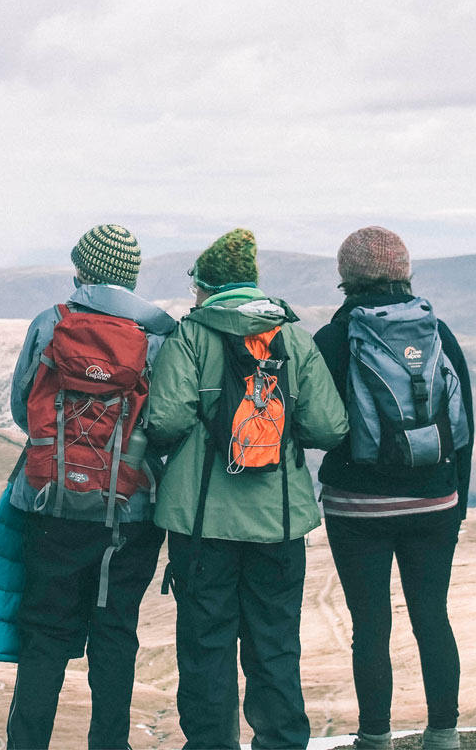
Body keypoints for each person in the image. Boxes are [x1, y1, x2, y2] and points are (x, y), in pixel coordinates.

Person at [0, 224, 177, 750]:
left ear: (82, 270)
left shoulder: (51, 323)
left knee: (45, 635)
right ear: (129, 276)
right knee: (114, 633)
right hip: (130, 512)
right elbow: (169, 422)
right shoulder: (159, 337)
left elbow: (24, 407)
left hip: (51, 505)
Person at [146, 228, 348, 750]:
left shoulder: (191, 336)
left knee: (206, 645)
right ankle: (281, 742)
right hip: (277, 524)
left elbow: (165, 421)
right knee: (275, 644)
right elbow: (329, 428)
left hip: (200, 524)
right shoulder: (294, 339)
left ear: (207, 286)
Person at [312, 227, 474, 750]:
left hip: (357, 508)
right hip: (435, 502)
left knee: (370, 624)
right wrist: (457, 502)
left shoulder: (333, 340)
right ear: (405, 272)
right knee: (433, 617)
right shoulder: (438, 333)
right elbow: (462, 424)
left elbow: (318, 425)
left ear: (347, 278)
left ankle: (375, 738)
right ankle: (444, 734)